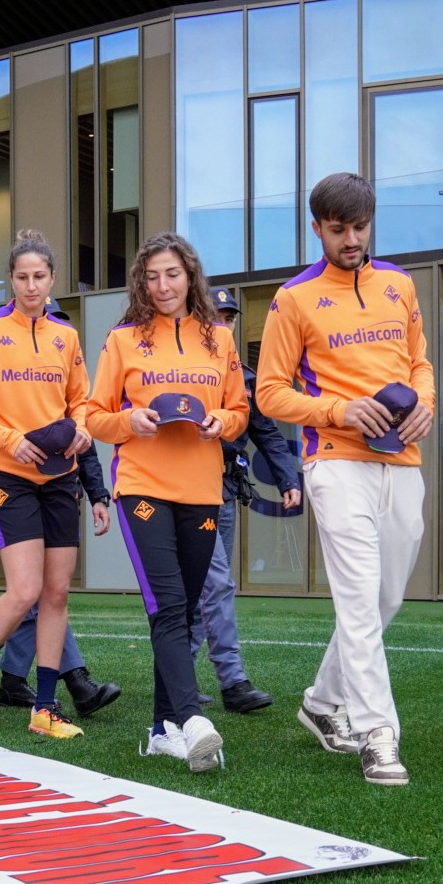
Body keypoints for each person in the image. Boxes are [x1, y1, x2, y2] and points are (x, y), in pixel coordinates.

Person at [256, 172, 435, 787]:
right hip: (333, 462)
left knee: (384, 601)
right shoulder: (293, 299)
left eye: (360, 227)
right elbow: (270, 392)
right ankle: (378, 734)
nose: (352, 239)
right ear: (317, 229)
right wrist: (338, 410)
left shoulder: (399, 284)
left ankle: (320, 702)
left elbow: (418, 362)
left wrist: (427, 403)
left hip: (402, 462)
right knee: (358, 598)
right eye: (339, 230)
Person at [86, 232, 248, 772]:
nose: (162, 286)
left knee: (183, 609)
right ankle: (191, 718)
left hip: (202, 491)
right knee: (169, 604)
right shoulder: (124, 340)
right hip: (142, 488)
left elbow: (239, 412)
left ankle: (161, 730)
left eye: (172, 274)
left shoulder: (219, 340)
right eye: (152, 276)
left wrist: (218, 424)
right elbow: (93, 415)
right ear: (141, 281)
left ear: (190, 276)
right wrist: (128, 421)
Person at [0, 229, 91, 739]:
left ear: (52, 280)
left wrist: (83, 429)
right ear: (10, 280)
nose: (31, 286)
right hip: (7, 473)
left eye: (40, 277)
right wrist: (10, 440)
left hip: (59, 476)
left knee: (56, 593)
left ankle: (45, 708)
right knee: (26, 589)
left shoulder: (66, 337)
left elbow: (81, 402)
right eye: (22, 277)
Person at [188, 286, 302, 713]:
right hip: (189, 493)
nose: (223, 322)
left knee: (207, 589)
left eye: (229, 317)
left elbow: (267, 434)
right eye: (216, 315)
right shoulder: (188, 368)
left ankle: (180, 676)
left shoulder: (246, 376)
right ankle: (232, 681)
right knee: (214, 585)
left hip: (227, 491)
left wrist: (289, 478)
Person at [0, 433, 121, 718]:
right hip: (9, 488)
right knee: (28, 591)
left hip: (58, 488)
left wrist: (97, 493)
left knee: (50, 593)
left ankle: (15, 681)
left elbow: (85, 446)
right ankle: (73, 677)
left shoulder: (68, 396)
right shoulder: (1, 396)